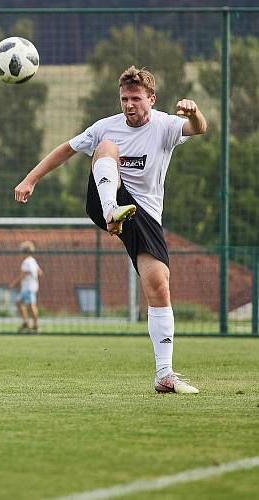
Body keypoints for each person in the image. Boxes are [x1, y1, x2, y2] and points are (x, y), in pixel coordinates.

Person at [14, 66, 207, 394]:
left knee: (159, 286)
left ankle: (164, 374)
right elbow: (66, 149)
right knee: (106, 147)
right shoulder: (107, 127)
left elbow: (198, 128)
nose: (129, 105)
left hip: (143, 214)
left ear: (151, 99)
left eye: (135, 98)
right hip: (105, 201)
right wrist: (30, 178)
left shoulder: (164, 125)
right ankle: (110, 210)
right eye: (124, 99)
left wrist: (195, 112)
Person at [10, 241, 43, 333]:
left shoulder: (26, 262)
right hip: (29, 287)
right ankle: (26, 322)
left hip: (29, 288)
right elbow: (40, 272)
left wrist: (14, 283)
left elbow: (23, 274)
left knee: (31, 305)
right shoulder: (33, 260)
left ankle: (36, 325)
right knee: (19, 302)